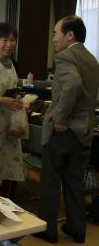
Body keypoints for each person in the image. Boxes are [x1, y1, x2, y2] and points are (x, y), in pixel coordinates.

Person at [34, 16, 99, 244]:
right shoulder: (92, 60)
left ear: (69, 35)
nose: (53, 38)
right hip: (84, 133)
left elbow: (73, 85)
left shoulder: (64, 57)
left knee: (51, 181)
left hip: (63, 132)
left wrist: (60, 118)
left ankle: (48, 230)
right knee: (74, 182)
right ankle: (76, 229)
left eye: (56, 33)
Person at [0, 23, 24, 197]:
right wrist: (3, 100)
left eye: (13, 40)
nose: (9, 44)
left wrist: (20, 97)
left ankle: (7, 200)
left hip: (11, 122)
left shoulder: (14, 64)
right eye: (5, 40)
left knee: (9, 163)